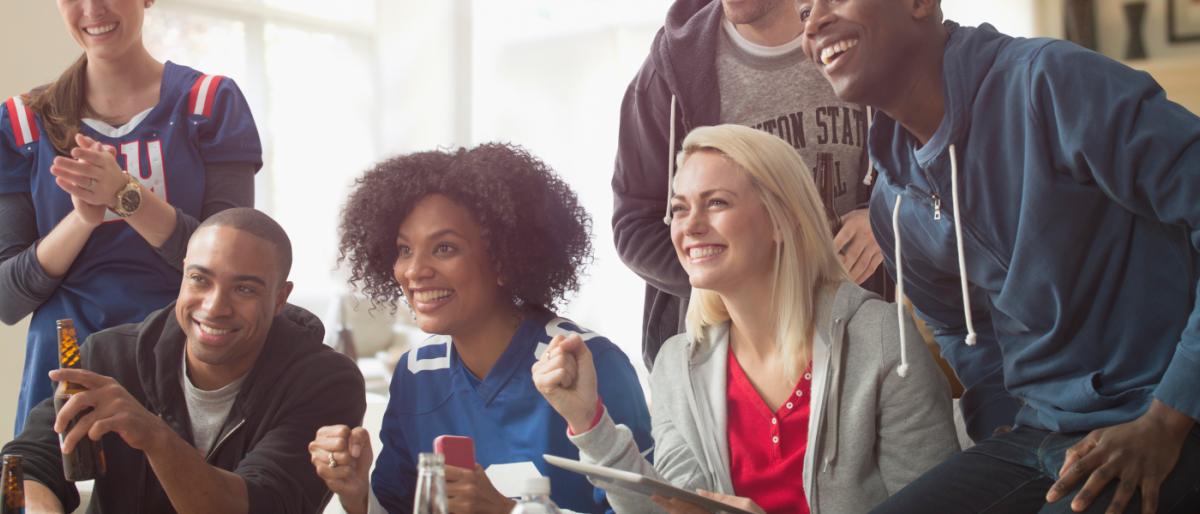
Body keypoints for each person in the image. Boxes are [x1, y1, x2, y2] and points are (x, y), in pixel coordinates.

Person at [795, 0, 1200, 512]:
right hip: (1040, 431)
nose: (814, 21)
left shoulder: (1049, 82)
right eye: (803, 10)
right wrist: (998, 418)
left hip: (1169, 410)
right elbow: (957, 326)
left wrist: (1170, 414)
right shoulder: (891, 205)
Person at [535, 125, 957, 514]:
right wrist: (588, 420)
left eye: (716, 202)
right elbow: (675, 508)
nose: (691, 226)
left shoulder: (882, 339)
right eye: (679, 209)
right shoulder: (677, 365)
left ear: (781, 218)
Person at [308, 144, 653, 514]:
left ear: (504, 258)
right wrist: (358, 495)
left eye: (443, 248)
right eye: (404, 250)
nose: (414, 271)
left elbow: (649, 511)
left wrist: (506, 511)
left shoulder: (589, 362)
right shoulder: (416, 374)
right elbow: (398, 508)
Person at [0, 0, 261, 435]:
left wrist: (125, 194)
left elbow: (234, 265)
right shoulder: (22, 122)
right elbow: (8, 299)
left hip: (181, 365)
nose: (92, 9)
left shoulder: (209, 102)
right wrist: (83, 218)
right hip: (64, 369)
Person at [0, 208, 365, 513]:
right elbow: (26, 464)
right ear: (183, 274)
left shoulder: (325, 382)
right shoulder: (111, 355)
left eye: (244, 288)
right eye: (199, 280)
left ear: (280, 298)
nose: (214, 307)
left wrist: (154, 436)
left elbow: (263, 504)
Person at [613, 0, 890, 372]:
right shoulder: (668, 77)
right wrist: (740, 280)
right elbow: (635, 228)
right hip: (728, 361)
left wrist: (885, 217)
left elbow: (933, 171)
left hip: (859, 343)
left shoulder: (864, 36)